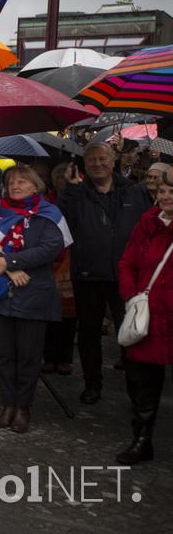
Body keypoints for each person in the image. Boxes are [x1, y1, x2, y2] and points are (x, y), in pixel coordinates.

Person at [0, 165, 71, 433]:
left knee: (28, 356)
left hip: (34, 294)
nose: (15, 186)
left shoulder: (49, 214)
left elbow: (51, 248)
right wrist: (8, 268)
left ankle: (23, 407)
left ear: (35, 185)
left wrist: (12, 260)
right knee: (3, 354)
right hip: (1, 293)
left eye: (22, 182)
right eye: (11, 182)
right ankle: (7, 404)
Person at [59, 142, 151, 404]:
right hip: (88, 272)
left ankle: (136, 385)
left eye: (102, 159)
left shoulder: (133, 191)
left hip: (125, 273)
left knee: (130, 330)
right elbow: (64, 219)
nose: (97, 164)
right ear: (84, 166)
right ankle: (92, 384)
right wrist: (70, 188)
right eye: (92, 161)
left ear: (113, 161)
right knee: (88, 331)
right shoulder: (78, 192)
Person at [115, 177, 173, 465]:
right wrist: (131, 295)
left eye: (171, 191)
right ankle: (141, 438)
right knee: (140, 378)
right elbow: (128, 262)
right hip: (148, 312)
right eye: (161, 191)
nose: (165, 196)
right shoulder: (148, 222)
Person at [42, 163, 77, 375]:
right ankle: (49, 355)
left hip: (72, 258)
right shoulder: (49, 201)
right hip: (51, 259)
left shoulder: (82, 198)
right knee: (49, 312)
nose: (63, 182)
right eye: (60, 178)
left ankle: (64, 357)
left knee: (69, 314)